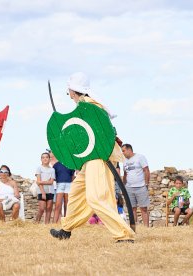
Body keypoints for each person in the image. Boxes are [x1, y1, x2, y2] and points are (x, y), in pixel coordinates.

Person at [50, 72, 135, 243]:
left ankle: (123, 234)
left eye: (69, 91)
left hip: (98, 156)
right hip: (89, 158)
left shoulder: (90, 106)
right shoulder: (84, 106)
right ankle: (67, 229)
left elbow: (100, 133)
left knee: (96, 197)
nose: (69, 95)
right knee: (76, 192)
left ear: (73, 90)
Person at [121, 143, 151, 227]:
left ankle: (146, 228)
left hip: (141, 187)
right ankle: (134, 228)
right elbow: (125, 174)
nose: (122, 153)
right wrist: (124, 187)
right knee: (132, 209)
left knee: (143, 208)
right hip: (129, 188)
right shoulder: (124, 161)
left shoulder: (140, 157)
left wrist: (146, 183)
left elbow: (146, 170)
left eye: (123, 151)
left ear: (129, 149)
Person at [35, 152, 55, 224]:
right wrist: (43, 193)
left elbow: (51, 182)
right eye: (43, 157)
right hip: (41, 191)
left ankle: (47, 224)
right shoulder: (39, 168)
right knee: (42, 208)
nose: (45, 159)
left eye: (46, 157)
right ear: (41, 159)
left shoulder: (52, 170)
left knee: (49, 208)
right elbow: (38, 181)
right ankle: (36, 223)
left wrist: (41, 182)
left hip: (50, 191)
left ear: (49, 159)